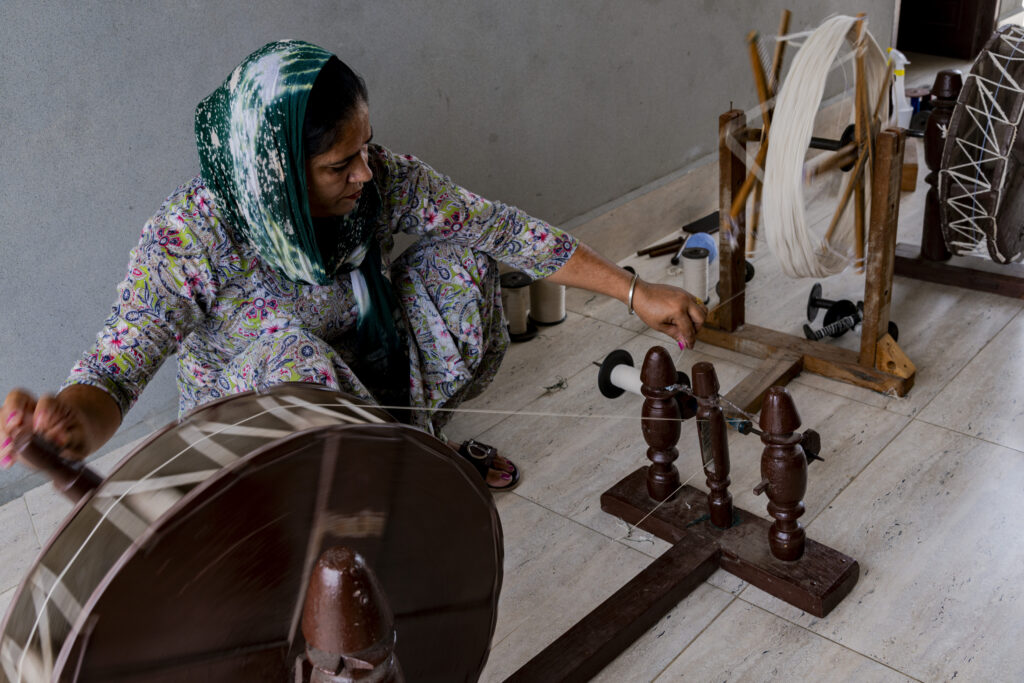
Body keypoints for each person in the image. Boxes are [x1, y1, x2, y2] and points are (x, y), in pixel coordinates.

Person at [0, 40, 705, 491]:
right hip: (264, 437)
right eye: (342, 163)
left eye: (367, 147)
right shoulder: (192, 233)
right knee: (293, 356)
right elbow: (113, 375)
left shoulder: (381, 180)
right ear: (276, 176)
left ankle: (409, 457)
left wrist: (634, 289)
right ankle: (364, 505)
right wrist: (68, 423)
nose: (367, 173)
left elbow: (499, 227)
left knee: (462, 255)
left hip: (363, 373)